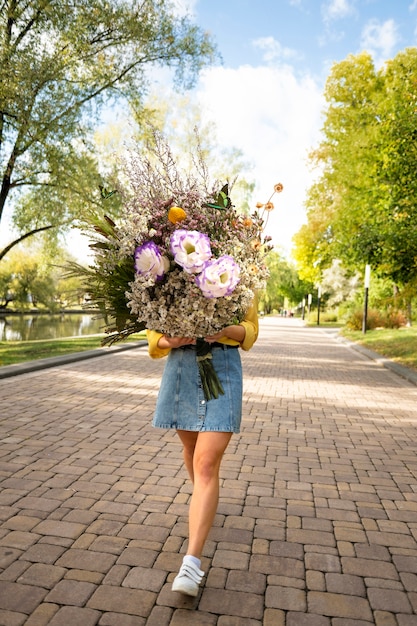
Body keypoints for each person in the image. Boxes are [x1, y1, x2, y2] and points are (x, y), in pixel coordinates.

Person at [146, 297, 259, 597]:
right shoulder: (170, 262)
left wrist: (223, 328)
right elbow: (152, 327)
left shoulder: (238, 272)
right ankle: (204, 502)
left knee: (206, 462)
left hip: (222, 365)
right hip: (181, 365)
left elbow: (250, 329)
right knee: (192, 450)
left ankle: (191, 564)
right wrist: (167, 340)